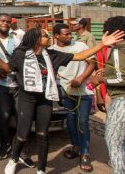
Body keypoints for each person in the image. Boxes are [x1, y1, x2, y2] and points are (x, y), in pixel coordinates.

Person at [0, 27, 124, 174]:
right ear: (37, 39)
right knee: (22, 133)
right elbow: (8, 68)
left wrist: (102, 44)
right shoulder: (21, 54)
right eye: (46, 36)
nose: (49, 37)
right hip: (27, 98)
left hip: (45, 99)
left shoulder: (52, 55)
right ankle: (13, 159)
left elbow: (80, 55)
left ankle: (41, 168)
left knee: (43, 134)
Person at [0, 13, 34, 168]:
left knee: (22, 117)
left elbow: (24, 58)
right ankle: (6, 142)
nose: (5, 23)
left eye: (8, 21)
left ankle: (20, 149)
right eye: (2, 21)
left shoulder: (17, 39)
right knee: (4, 116)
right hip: (0, 84)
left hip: (18, 85)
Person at [51, 23, 95, 172]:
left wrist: (81, 78)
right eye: (66, 34)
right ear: (56, 36)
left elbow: (92, 63)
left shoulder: (81, 45)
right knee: (70, 119)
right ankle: (76, 147)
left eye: (70, 33)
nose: (70, 36)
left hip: (83, 91)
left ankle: (85, 153)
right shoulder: (52, 50)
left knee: (83, 122)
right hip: (66, 90)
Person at [89, 16, 125, 173]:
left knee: (114, 142)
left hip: (121, 101)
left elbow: (121, 78)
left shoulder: (119, 50)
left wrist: (100, 79)